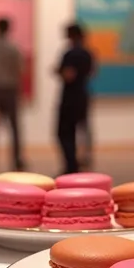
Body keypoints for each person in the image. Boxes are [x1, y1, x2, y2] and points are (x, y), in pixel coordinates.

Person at [0, 18, 25, 172]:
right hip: (10, 89)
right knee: (14, 127)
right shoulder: (13, 48)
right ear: (8, 29)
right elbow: (20, 71)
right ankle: (17, 159)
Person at [55, 22, 94, 174]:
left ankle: (71, 165)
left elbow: (68, 75)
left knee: (64, 133)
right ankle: (81, 161)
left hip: (70, 98)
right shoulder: (88, 53)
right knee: (82, 130)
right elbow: (92, 72)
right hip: (82, 95)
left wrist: (58, 71)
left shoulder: (70, 54)